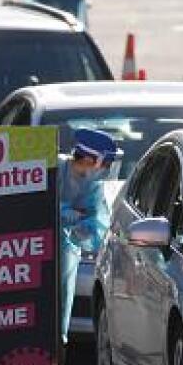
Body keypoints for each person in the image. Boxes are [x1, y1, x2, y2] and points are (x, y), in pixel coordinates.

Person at [58, 128, 119, 343]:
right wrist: (70, 213)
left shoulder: (93, 187)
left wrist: (71, 218)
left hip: (65, 258)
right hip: (32, 253)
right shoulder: (53, 168)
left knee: (58, 314)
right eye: (105, 163)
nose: (106, 169)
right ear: (88, 158)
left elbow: (96, 228)